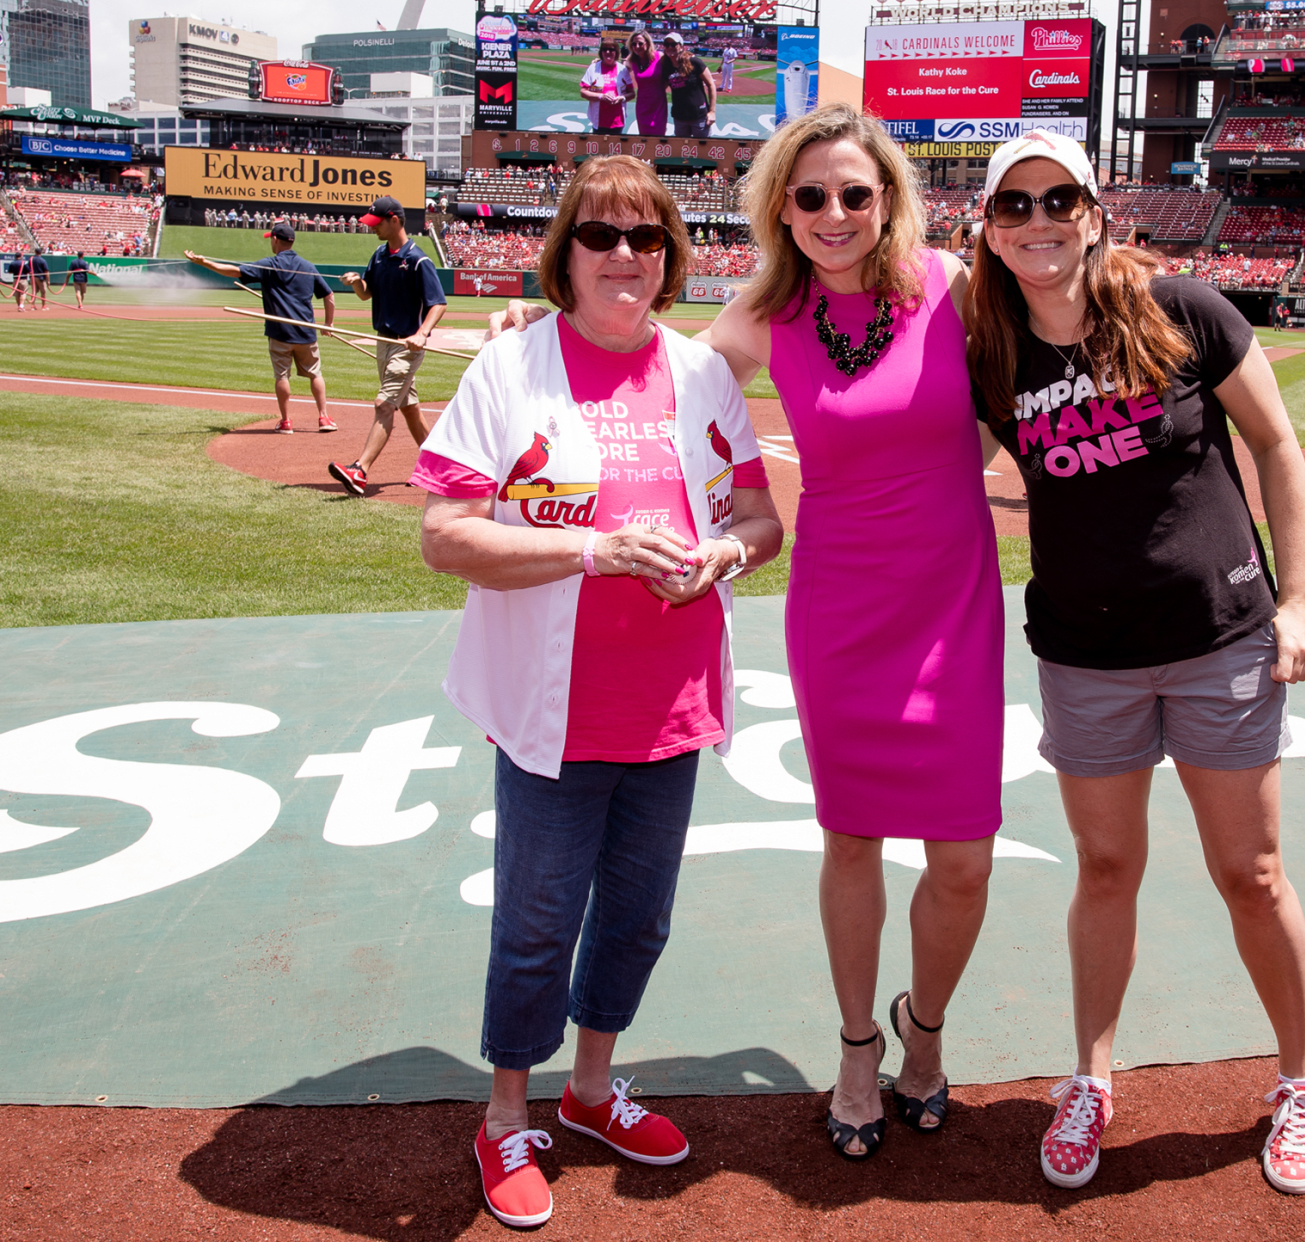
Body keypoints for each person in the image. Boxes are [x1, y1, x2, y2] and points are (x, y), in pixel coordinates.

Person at [484, 105, 1006, 1165]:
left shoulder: (953, 287)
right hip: (841, 608)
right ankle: (860, 1047)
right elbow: (645, 358)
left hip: (954, 602)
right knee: (851, 840)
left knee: (962, 859)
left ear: (889, 199)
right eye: (809, 195)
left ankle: (927, 1031)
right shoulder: (766, 315)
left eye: (855, 193)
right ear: (780, 208)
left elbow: (1026, 379)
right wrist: (528, 340)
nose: (833, 212)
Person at [416, 156, 783, 1229]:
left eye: (646, 237)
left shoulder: (704, 374)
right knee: (537, 922)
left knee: (635, 922)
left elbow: (763, 522)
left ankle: (588, 1091)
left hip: (670, 703)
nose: (624, 255)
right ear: (565, 254)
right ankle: (503, 1118)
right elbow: (444, 536)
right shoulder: (513, 369)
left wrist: (722, 556)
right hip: (554, 710)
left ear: (668, 257)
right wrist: (590, 552)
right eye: (600, 236)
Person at [966, 131, 1305, 1195]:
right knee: (1107, 869)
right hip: (1086, 655)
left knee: (1250, 874)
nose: (1039, 221)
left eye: (1058, 198)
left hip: (1217, 639)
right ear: (988, 229)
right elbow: (923, 471)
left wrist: (1299, 597)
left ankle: (1300, 1081)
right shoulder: (992, 354)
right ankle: (1089, 1080)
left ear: (1095, 211)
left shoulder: (1186, 311)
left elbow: (1276, 446)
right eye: (1014, 206)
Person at [327, 196, 448, 497]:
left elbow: (438, 304)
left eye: (377, 223)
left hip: (406, 346)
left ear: (394, 220)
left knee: (384, 404)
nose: (373, 229)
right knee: (409, 409)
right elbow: (367, 294)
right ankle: (440, 468)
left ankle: (360, 470)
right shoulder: (378, 256)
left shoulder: (419, 260)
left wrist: (422, 333)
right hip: (383, 342)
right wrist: (357, 282)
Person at [185, 223, 338, 434]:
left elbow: (234, 271)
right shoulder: (308, 266)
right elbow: (329, 296)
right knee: (315, 374)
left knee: (282, 376)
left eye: (270, 239)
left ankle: (286, 422)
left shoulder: (270, 264)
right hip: (305, 333)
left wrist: (205, 263)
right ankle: (323, 418)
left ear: (275, 239)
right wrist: (328, 324)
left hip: (280, 333)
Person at [663, 33, 717, 139]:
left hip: (699, 116)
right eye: (666, 44)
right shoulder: (666, 66)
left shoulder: (694, 62)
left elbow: (711, 84)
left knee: (702, 150)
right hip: (679, 117)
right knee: (682, 150)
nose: (670, 47)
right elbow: (661, 88)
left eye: (673, 44)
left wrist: (712, 111)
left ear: (681, 46)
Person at [580, 41, 633, 135]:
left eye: (612, 49)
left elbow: (632, 93)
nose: (608, 52)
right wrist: (601, 96)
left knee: (615, 148)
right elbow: (583, 92)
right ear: (601, 52)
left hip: (617, 120)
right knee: (600, 148)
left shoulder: (622, 70)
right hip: (599, 120)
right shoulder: (593, 68)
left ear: (616, 52)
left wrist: (622, 98)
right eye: (605, 49)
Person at [626, 29, 668, 137]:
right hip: (642, 106)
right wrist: (599, 61)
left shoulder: (660, 57)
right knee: (644, 139)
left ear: (647, 43)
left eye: (640, 43)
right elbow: (618, 69)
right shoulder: (632, 61)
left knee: (658, 138)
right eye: (634, 44)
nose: (637, 46)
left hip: (658, 106)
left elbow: (672, 71)